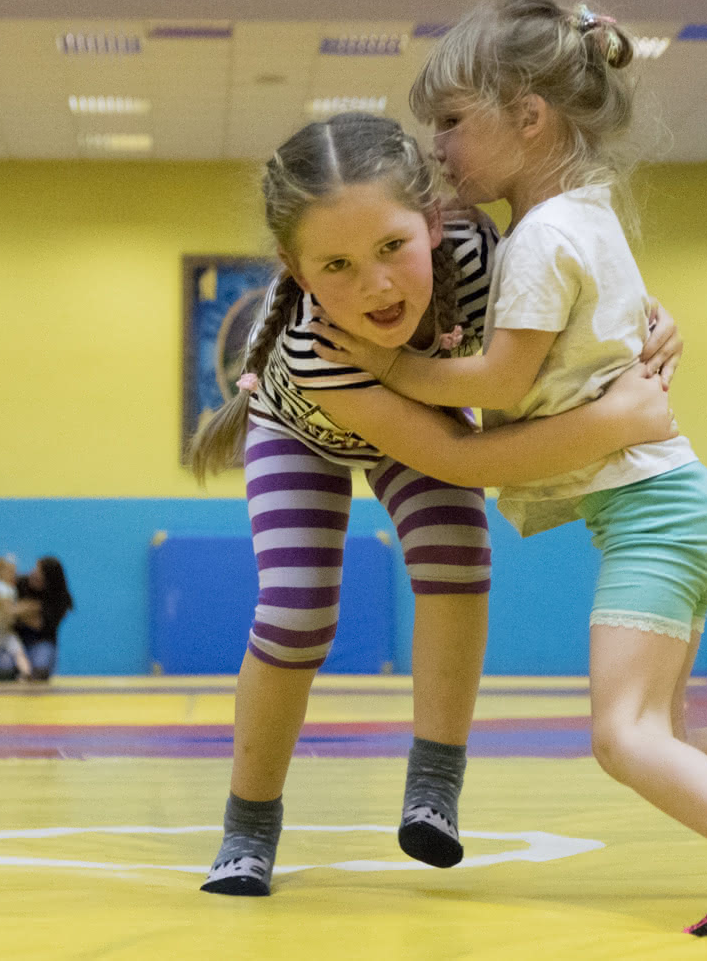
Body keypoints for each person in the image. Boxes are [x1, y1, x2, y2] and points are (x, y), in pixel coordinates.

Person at [308, 0, 707, 938]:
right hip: (674, 505)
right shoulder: (585, 216)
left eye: (452, 122)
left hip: (654, 511)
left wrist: (391, 367)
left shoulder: (542, 238)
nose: (439, 148)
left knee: (622, 736)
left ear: (529, 116)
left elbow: (503, 381)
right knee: (662, 734)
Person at [183, 111, 682, 897]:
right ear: (296, 269)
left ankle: (434, 785)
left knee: (456, 559)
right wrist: (616, 421)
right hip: (300, 429)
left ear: (434, 221)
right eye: (337, 265)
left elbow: (575, 314)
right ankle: (248, 827)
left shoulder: (482, 257)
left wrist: (651, 320)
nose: (377, 285)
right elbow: (458, 458)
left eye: (392, 247)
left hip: (418, 413)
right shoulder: (313, 348)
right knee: (295, 613)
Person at [0, 556, 73, 682]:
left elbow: (40, 624)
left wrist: (14, 610)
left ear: (49, 580)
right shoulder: (20, 583)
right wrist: (30, 608)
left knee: (40, 669)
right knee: (3, 670)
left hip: (41, 641)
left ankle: (26, 672)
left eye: (39, 572)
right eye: (35, 569)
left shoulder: (60, 598)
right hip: (14, 639)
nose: (33, 573)